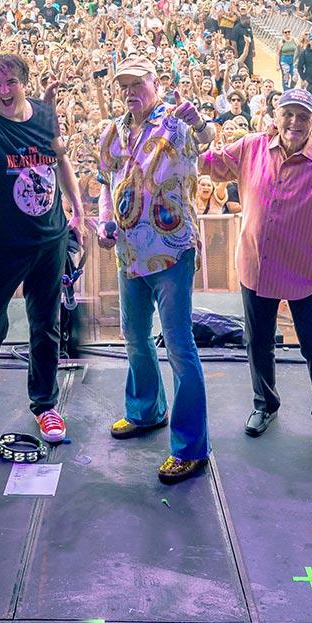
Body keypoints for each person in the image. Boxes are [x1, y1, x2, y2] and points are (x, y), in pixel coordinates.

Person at [199, 87, 312, 456]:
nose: (294, 122)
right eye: (288, 114)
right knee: (258, 342)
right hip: (256, 267)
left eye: (303, 116)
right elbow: (211, 165)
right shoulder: (252, 146)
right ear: (276, 116)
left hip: (303, 274)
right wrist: (197, 130)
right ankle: (265, 404)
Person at [0, 53, 84, 456]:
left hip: (49, 241)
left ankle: (45, 405)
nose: (3, 91)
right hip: (3, 246)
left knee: (46, 327)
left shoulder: (43, 114)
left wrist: (77, 208)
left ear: (24, 82)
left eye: (10, 83)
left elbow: (61, 161)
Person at [95, 55, 214, 484]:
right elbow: (105, 183)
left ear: (156, 84)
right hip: (128, 256)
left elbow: (209, 142)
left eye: (138, 84)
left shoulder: (178, 125)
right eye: (123, 85)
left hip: (172, 254)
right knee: (135, 338)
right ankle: (146, 411)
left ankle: (190, 448)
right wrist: (104, 219)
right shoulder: (112, 131)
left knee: (180, 348)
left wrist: (199, 122)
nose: (130, 92)